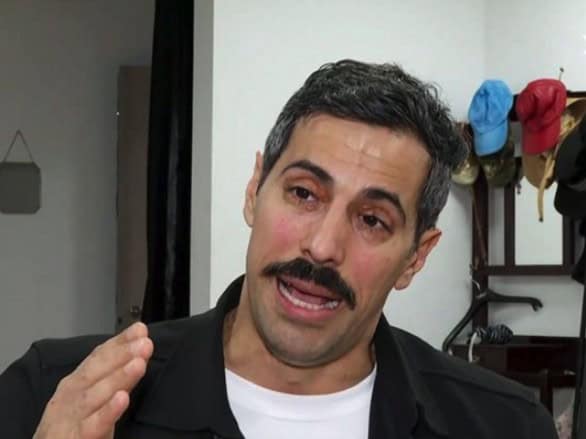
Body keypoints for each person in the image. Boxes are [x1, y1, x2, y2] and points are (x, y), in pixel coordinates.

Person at [0, 60, 557, 439]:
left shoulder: (502, 426)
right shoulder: (55, 389)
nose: (322, 246)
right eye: (303, 194)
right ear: (254, 190)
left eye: (372, 220)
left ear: (416, 256)